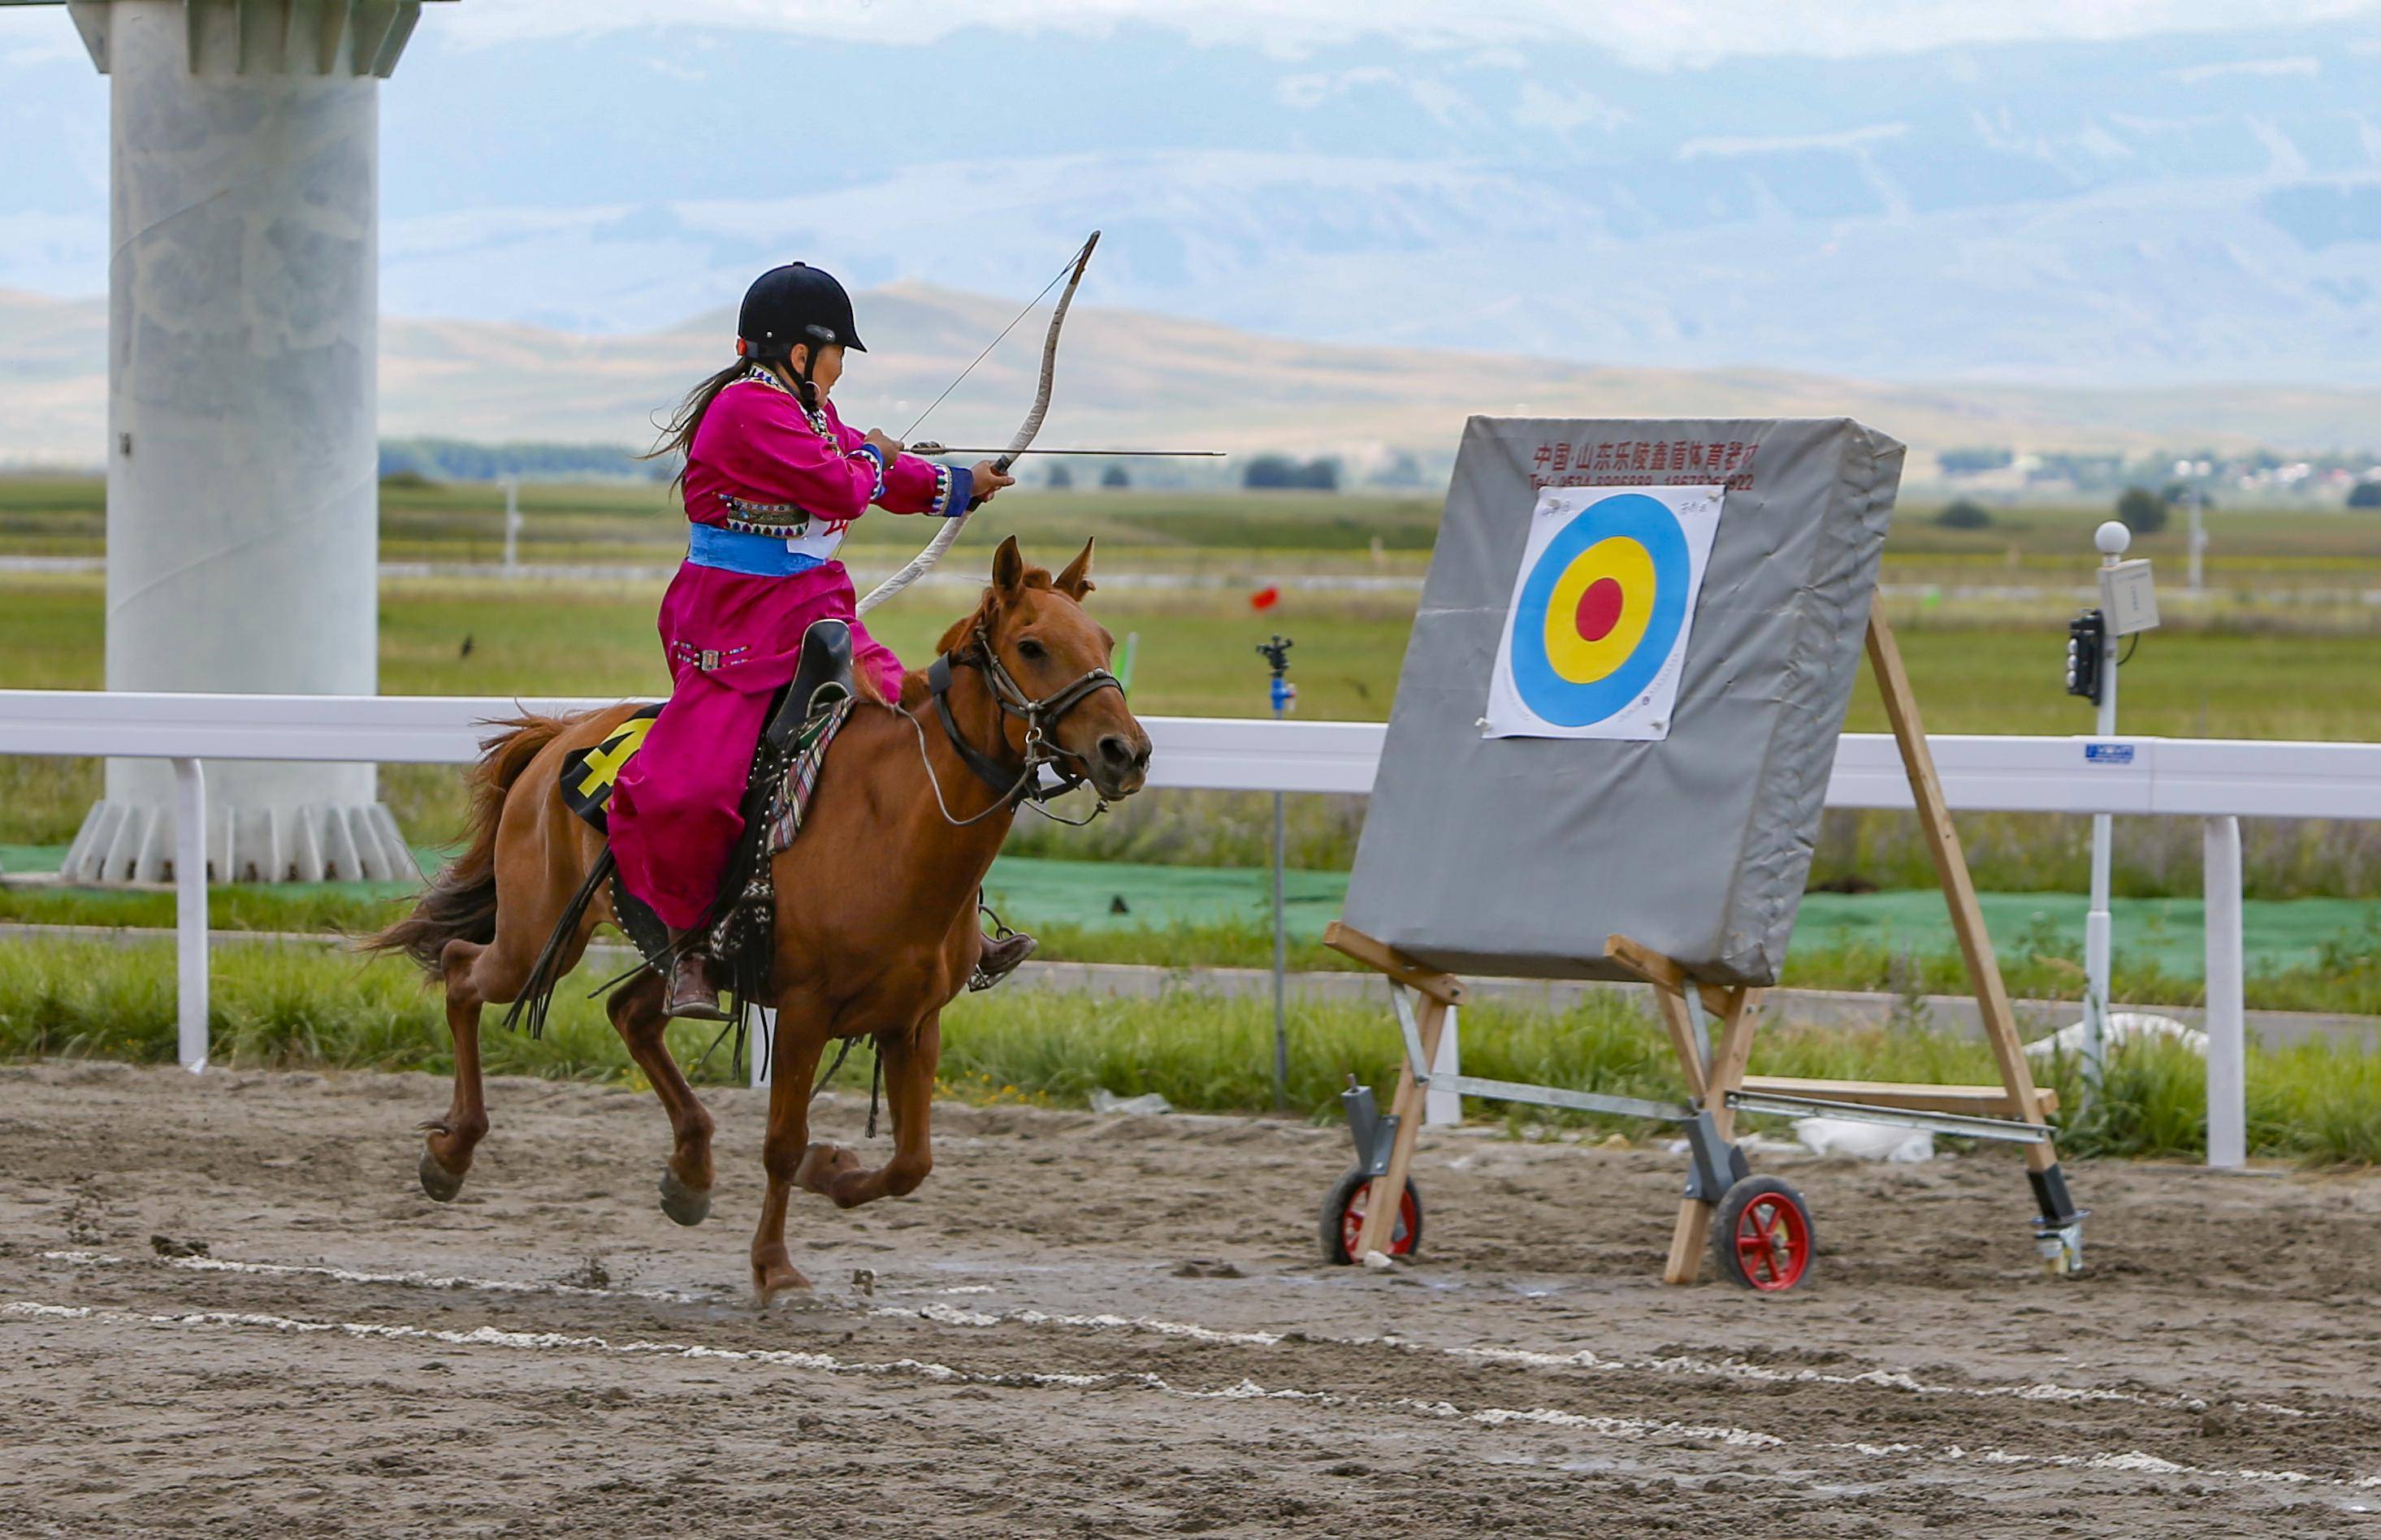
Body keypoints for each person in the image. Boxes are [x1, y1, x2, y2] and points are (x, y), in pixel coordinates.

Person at [609, 262, 1028, 1019]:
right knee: (692, 791)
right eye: (836, 351)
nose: (840, 367)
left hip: (814, 610)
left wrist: (963, 484)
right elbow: (843, 486)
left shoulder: (806, 412)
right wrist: (877, 454)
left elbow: (874, 480)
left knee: (911, 730)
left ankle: (960, 924)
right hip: (732, 624)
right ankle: (690, 948)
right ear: (799, 352)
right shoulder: (746, 409)